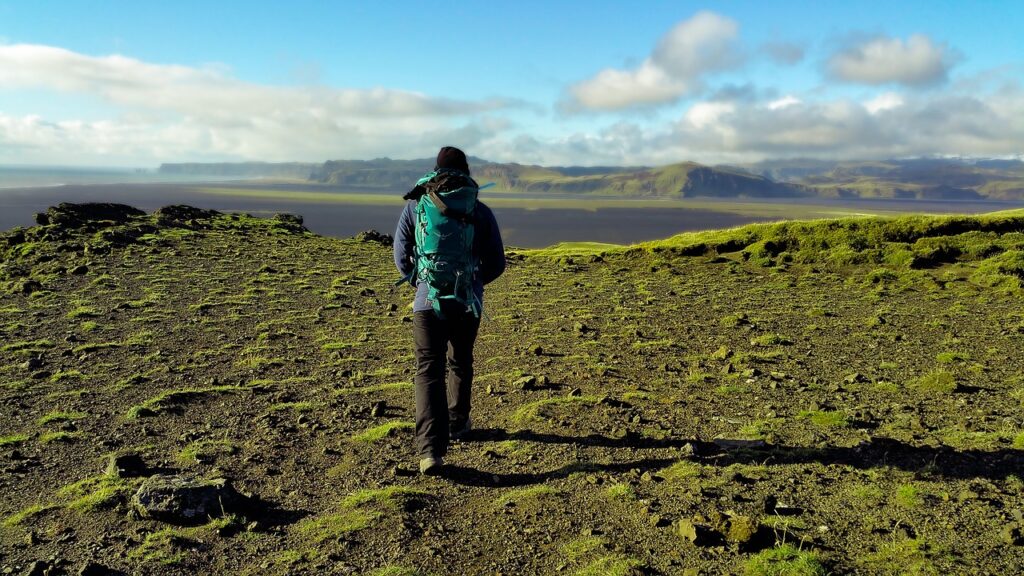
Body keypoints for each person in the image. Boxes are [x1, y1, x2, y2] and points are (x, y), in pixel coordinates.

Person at [393, 146, 505, 475]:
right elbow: (497, 263)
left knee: (428, 370)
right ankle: (459, 421)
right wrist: (472, 282)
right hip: (468, 302)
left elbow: (401, 257)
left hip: (427, 302)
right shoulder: (480, 210)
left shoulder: (417, 206)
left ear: (435, 170)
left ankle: (430, 450)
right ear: (466, 171)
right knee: (461, 359)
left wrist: (423, 282)